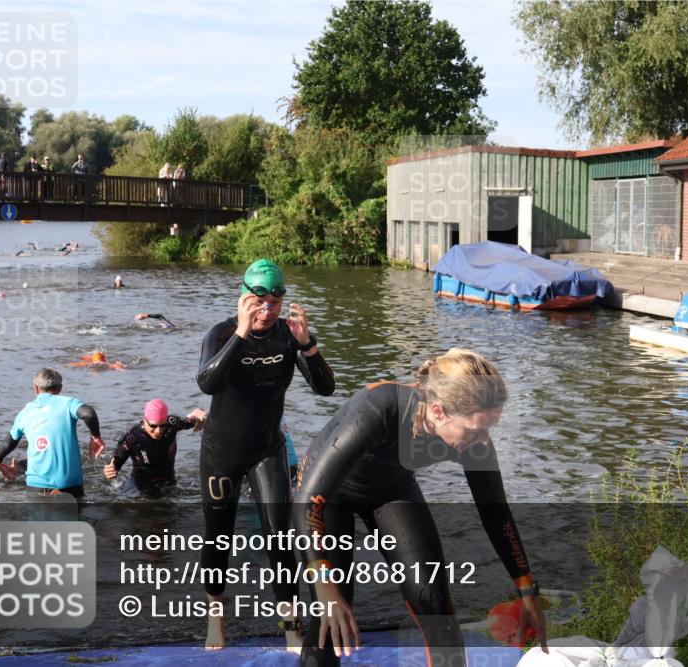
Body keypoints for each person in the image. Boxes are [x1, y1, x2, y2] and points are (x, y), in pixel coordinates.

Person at [291, 348, 549, 667]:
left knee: (435, 604)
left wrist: (526, 588)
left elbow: (496, 514)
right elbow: (307, 501)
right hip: (326, 498)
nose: (483, 440)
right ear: (438, 411)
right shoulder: (380, 407)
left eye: (488, 429)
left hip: (391, 489)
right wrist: (324, 583)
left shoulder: (474, 440)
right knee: (333, 609)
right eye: (474, 430)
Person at [196, 258, 335, 651]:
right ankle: (216, 617)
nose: (267, 309)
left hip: (267, 451)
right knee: (218, 540)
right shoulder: (221, 333)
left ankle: (291, 625)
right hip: (221, 453)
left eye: (275, 301)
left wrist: (307, 344)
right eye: (259, 301)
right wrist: (240, 334)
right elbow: (207, 382)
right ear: (244, 298)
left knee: (279, 539)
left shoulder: (288, 337)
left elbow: (325, 388)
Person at [0, 368, 106, 499]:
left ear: (35, 388)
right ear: (60, 388)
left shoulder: (25, 412)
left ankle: (16, 476)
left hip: (36, 486)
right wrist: (96, 437)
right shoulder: (68, 403)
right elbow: (89, 414)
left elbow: (11, 440)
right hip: (69, 485)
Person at [103, 399, 206, 498]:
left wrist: (201, 414)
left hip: (168, 482)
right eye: (153, 426)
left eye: (162, 425)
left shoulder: (172, 423)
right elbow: (117, 458)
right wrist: (111, 469)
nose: (158, 431)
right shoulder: (134, 436)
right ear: (144, 420)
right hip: (141, 484)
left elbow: (193, 419)